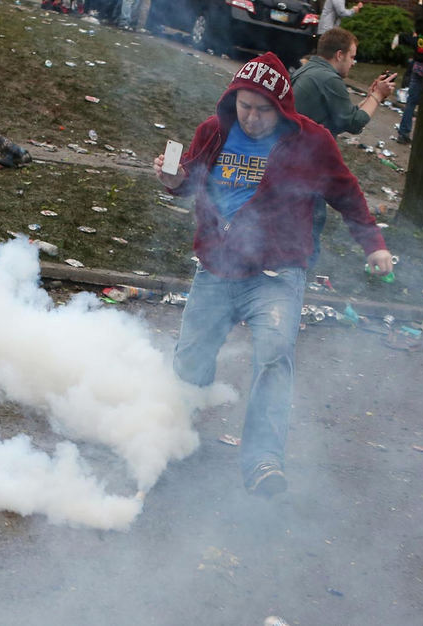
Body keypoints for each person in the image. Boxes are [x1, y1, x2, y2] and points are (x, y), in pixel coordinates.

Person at [154, 52, 393, 497]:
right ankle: (176, 437)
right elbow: (190, 182)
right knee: (190, 359)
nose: (252, 117)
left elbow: (347, 193)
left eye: (263, 109)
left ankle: (264, 459)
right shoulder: (214, 130)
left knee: (273, 355)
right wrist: (174, 180)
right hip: (217, 268)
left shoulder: (312, 141)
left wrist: (374, 244)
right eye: (244, 105)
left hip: (276, 272)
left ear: (282, 105)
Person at [290, 27, 394, 267]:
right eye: (352, 56)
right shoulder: (329, 79)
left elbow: (341, 115)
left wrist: (370, 96)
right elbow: (354, 123)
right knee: (309, 232)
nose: (354, 62)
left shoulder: (310, 70)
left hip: (294, 166)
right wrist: (377, 97)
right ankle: (297, 284)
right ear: (339, 55)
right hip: (307, 170)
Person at [394, 27, 423, 145]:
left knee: (411, 102)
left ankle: (403, 133)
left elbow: (411, 41)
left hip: (418, 68)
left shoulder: (420, 38)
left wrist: (401, 37)